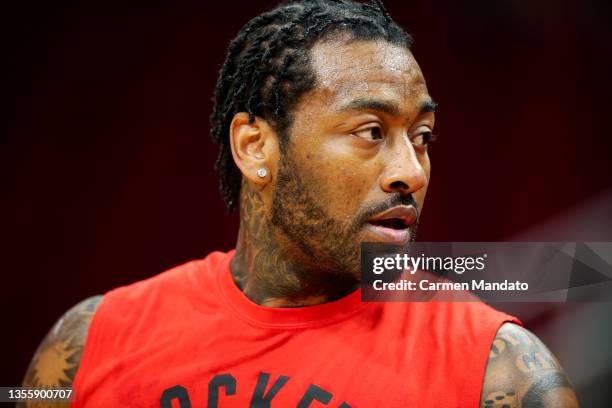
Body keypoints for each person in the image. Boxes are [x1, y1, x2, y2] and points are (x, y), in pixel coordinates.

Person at [21, 0, 579, 406]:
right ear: (254, 146)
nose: (411, 170)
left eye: (422, 136)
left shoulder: (501, 372)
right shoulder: (89, 342)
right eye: (369, 131)